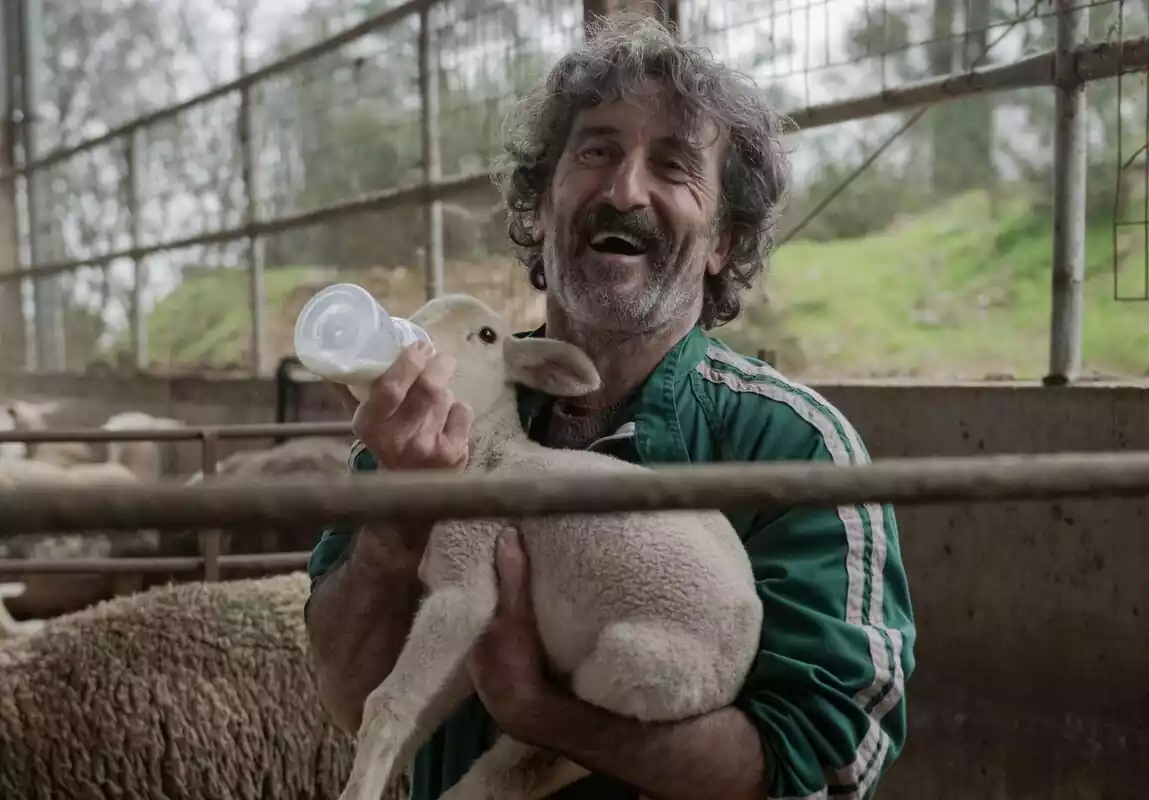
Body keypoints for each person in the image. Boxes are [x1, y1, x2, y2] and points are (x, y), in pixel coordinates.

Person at [304, 11, 916, 800]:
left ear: (725, 240)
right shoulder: (430, 418)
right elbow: (351, 700)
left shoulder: (796, 451)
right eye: (596, 151)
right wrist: (394, 521)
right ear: (540, 204)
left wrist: (542, 712)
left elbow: (824, 766)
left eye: (674, 166)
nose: (625, 188)